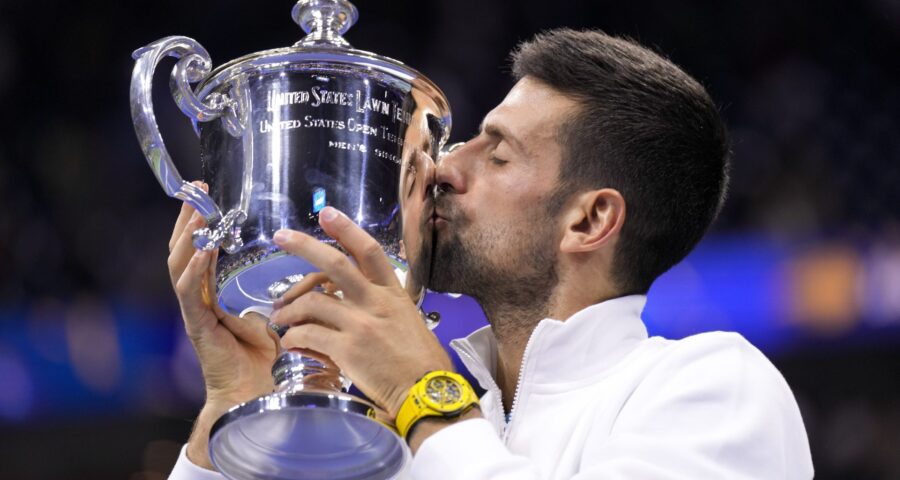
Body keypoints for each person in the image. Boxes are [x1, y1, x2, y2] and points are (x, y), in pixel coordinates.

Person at [167, 29, 814, 479]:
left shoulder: (717, 388)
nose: (445, 166)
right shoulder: (405, 433)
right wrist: (233, 408)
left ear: (589, 220)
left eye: (497, 153)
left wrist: (423, 392)